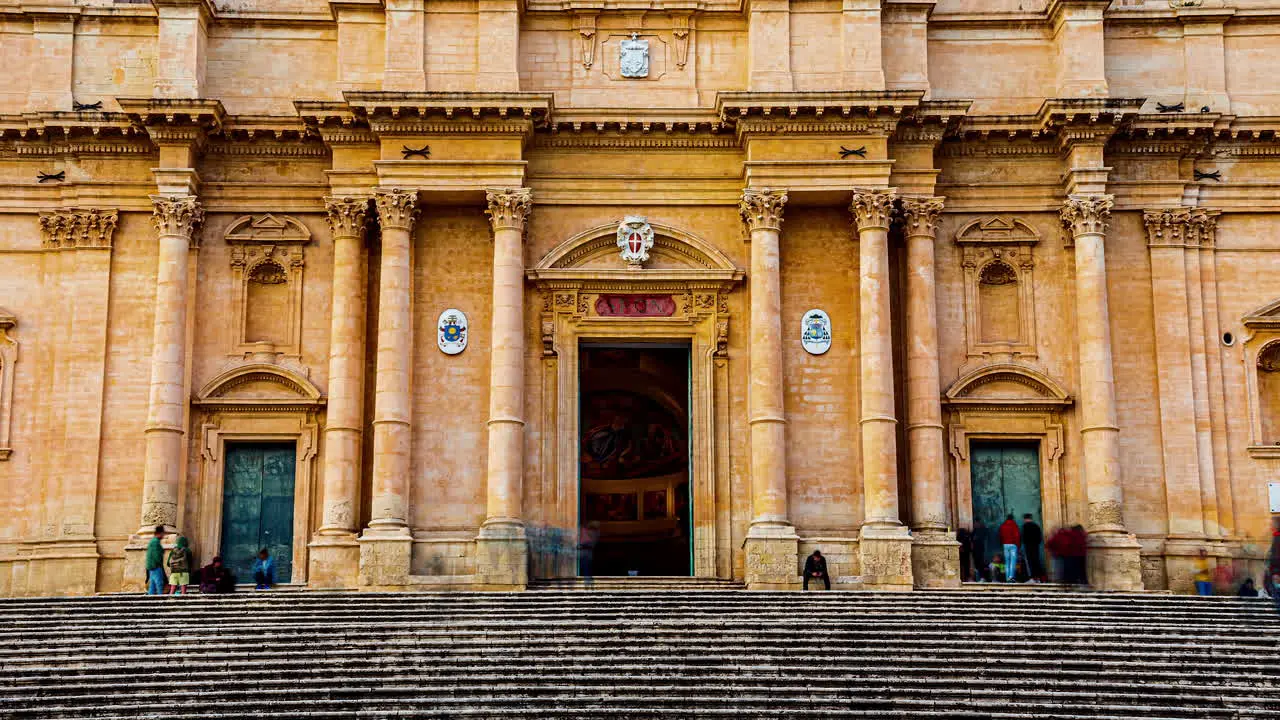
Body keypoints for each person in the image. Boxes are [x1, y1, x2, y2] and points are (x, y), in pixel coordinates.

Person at [1021, 514, 1044, 583]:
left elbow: (1024, 537)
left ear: (1025, 519)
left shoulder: (1025, 526)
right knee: (1036, 561)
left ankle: (1032, 578)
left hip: (1028, 546)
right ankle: (1039, 578)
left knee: (1030, 562)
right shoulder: (1036, 526)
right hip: (1035, 546)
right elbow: (1039, 538)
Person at [998, 514, 1020, 583]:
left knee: (1007, 562)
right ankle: (1011, 577)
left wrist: (1002, 543)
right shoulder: (1014, 525)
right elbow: (1017, 536)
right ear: (1012, 518)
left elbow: (1000, 536)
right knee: (1012, 562)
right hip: (1013, 545)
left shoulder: (1003, 526)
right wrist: (1018, 545)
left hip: (1005, 545)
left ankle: (1007, 578)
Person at [144, 526, 166, 596]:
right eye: (163, 533)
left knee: (152, 585)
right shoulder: (156, 542)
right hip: (156, 566)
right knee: (159, 584)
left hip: (151, 567)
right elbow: (157, 555)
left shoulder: (152, 541)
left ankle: (150, 599)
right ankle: (160, 600)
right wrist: (160, 563)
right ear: (159, 533)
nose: (163, 535)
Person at [578, 521, 600, 588]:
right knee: (587, 569)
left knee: (585, 568)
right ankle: (588, 585)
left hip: (583, 552)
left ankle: (587, 585)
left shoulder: (584, 530)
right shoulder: (593, 532)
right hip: (587, 552)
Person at [1266, 516, 1280, 616]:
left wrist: (1276, 572)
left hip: (1276, 573)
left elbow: (1276, 556)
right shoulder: (1276, 536)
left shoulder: (1278, 537)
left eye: (1271, 524)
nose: (1269, 526)